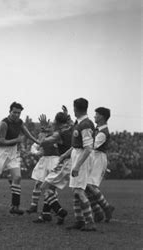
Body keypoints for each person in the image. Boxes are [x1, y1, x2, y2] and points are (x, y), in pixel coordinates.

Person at [0, 102, 39, 219]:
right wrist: (17, 140)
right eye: (14, 112)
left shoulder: (19, 122)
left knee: (17, 177)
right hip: (1, 152)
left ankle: (14, 207)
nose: (16, 115)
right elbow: (0, 141)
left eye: (19, 113)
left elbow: (27, 134)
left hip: (13, 151)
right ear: (10, 111)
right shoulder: (4, 123)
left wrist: (38, 142)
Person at [59, 98, 96, 231]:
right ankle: (80, 221)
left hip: (82, 158)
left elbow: (88, 148)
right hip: (77, 154)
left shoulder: (85, 125)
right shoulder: (80, 123)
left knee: (79, 191)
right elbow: (76, 145)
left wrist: (77, 166)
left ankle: (90, 222)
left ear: (76, 108)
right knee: (75, 191)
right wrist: (64, 155)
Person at [30, 112, 72, 225]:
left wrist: (43, 130)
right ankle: (46, 214)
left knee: (45, 187)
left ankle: (60, 211)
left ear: (58, 123)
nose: (52, 123)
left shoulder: (59, 134)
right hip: (69, 162)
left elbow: (41, 142)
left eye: (54, 121)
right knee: (50, 189)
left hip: (64, 163)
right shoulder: (69, 130)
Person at [85, 107, 115, 222]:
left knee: (90, 185)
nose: (94, 116)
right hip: (93, 156)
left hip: (98, 157)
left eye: (96, 114)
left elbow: (92, 145)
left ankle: (106, 207)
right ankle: (98, 212)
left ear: (102, 116)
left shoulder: (103, 132)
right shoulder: (98, 129)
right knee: (87, 187)